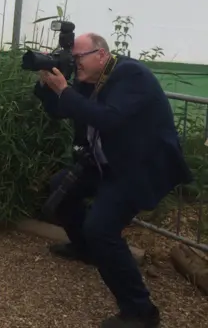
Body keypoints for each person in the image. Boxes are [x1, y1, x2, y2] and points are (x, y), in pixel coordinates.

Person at [35, 33, 192, 328]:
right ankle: (85, 249)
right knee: (61, 188)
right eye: (73, 57)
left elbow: (108, 118)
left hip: (139, 169)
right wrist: (48, 85)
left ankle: (141, 311)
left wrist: (65, 91)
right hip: (104, 162)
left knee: (102, 228)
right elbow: (59, 111)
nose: (75, 62)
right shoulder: (88, 80)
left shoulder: (132, 75)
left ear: (102, 56)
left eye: (79, 57)